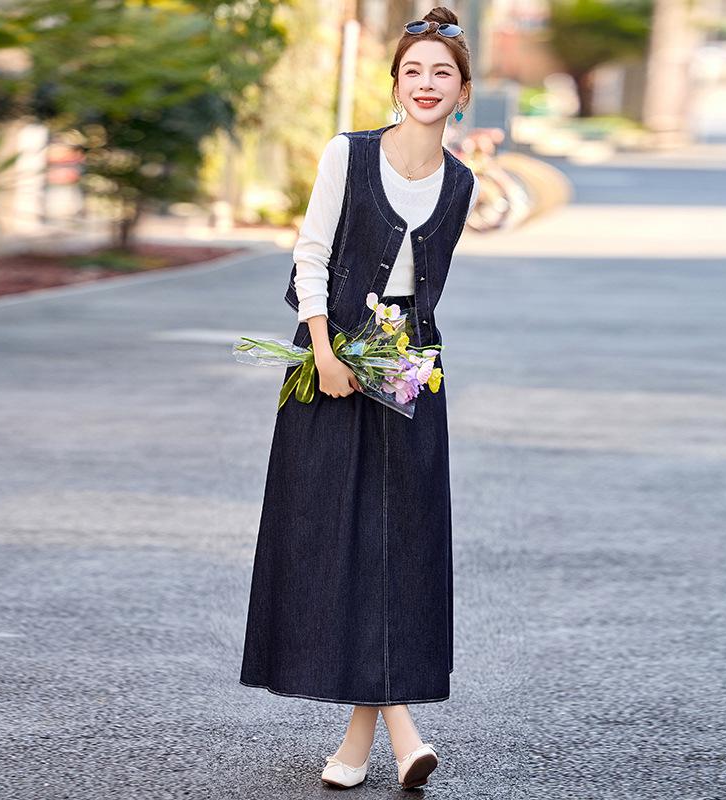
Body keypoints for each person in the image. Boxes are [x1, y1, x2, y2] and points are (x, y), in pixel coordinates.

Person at [239, 6, 480, 790]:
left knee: (401, 554)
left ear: (463, 93)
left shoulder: (462, 181)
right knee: (335, 550)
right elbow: (310, 254)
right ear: (396, 84)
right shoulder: (350, 154)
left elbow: (424, 296)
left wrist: (410, 363)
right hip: (333, 375)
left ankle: (363, 743)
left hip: (411, 380)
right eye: (414, 72)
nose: (426, 84)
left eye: (441, 73)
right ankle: (398, 735)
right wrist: (323, 349)